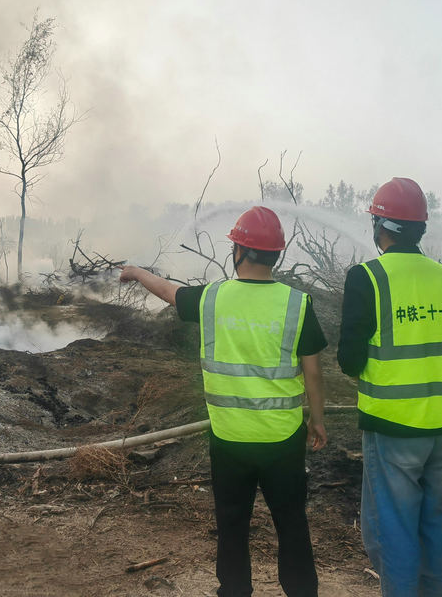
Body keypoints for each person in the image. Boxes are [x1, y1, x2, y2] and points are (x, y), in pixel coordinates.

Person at [119, 205, 327, 597]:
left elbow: (168, 292)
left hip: (229, 439)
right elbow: (313, 371)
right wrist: (317, 420)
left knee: (232, 525)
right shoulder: (298, 304)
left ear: (239, 251)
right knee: (291, 523)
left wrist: (137, 272)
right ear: (276, 254)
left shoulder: (212, 298)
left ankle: (234, 591)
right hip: (283, 440)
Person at [336, 177, 442, 597]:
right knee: (438, 527)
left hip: (393, 427)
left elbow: (349, 361)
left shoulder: (367, 277)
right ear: (420, 228)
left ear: (379, 225)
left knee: (394, 530)